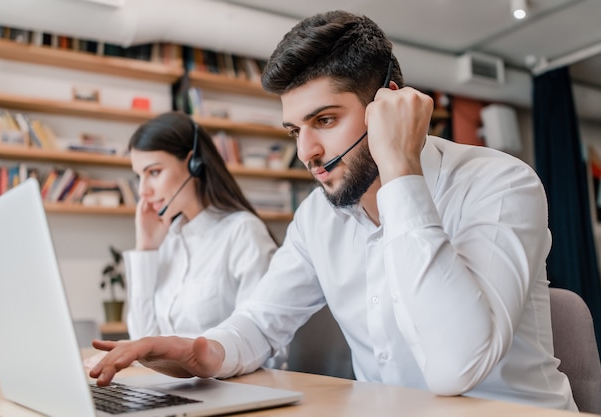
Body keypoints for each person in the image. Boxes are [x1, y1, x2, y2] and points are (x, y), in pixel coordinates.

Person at [90, 11, 576, 411]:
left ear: (389, 103)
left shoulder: (500, 183)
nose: (307, 152)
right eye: (294, 130)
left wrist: (401, 169)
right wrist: (197, 351)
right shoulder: (318, 219)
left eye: (324, 120)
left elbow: (457, 365)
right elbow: (259, 323)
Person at [121, 111, 278, 345]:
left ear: (193, 164)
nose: (143, 190)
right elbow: (143, 342)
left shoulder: (242, 232)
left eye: (154, 172)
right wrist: (146, 250)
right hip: (168, 381)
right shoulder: (168, 239)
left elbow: (265, 343)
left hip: (227, 380)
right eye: (139, 176)